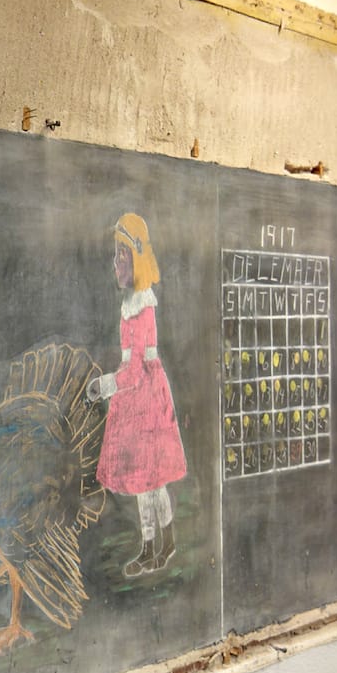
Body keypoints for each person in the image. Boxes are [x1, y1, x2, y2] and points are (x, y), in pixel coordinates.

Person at [85, 213, 187, 577]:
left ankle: (161, 544)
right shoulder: (130, 306)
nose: (116, 263)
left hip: (146, 399)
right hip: (138, 395)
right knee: (149, 481)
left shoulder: (142, 306)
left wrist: (104, 387)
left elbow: (136, 369)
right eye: (115, 255)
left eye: (122, 255)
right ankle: (156, 545)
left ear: (137, 257)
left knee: (151, 480)